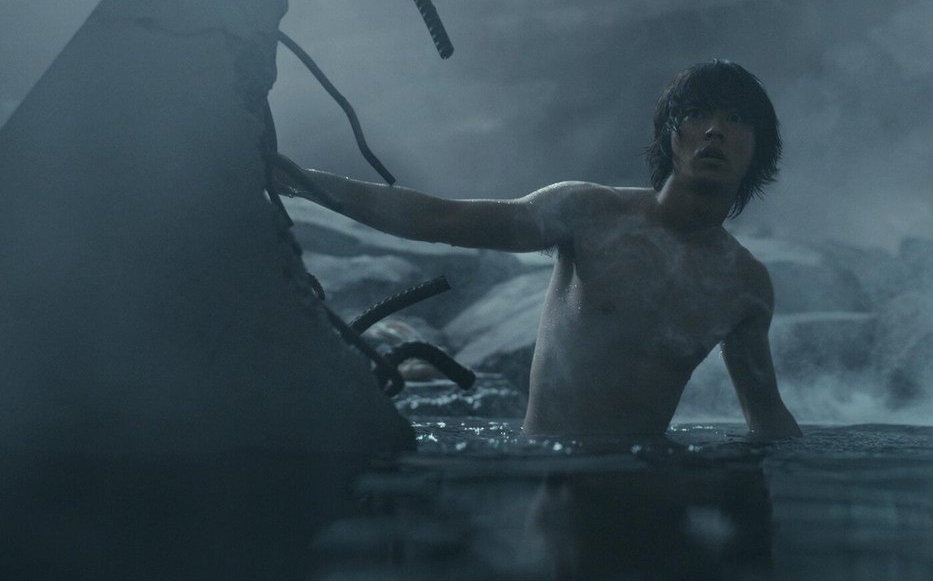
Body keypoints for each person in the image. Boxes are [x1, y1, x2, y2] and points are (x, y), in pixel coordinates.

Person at [281, 60, 801, 439]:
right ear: (671, 136)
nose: (714, 130)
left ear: (759, 149)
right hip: (548, 474)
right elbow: (442, 219)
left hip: (648, 478)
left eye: (735, 118)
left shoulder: (743, 284)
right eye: (698, 114)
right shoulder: (589, 213)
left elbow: (766, 416)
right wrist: (302, 181)